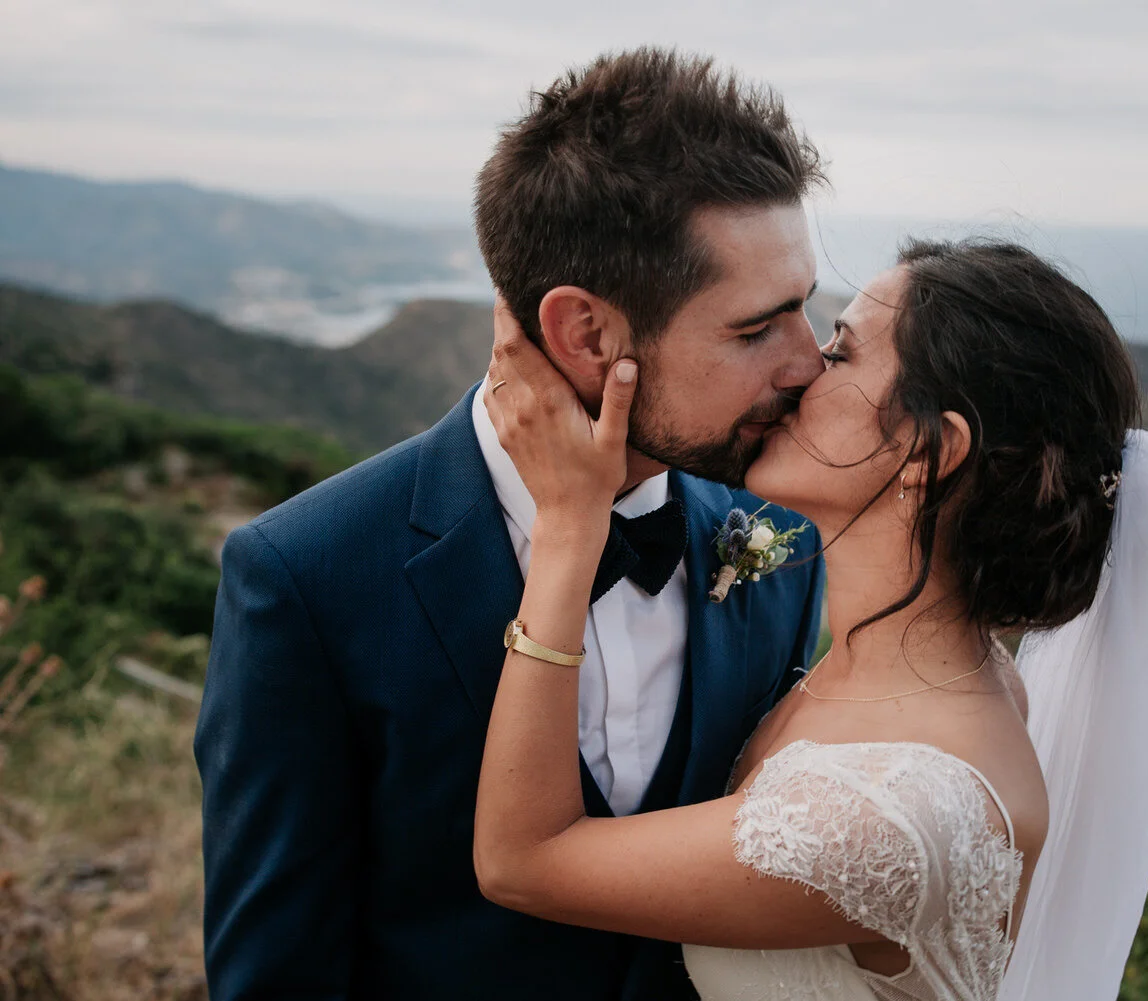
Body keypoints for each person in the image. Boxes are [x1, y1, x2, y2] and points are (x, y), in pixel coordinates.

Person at [195, 48, 829, 1000]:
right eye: (756, 328)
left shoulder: (781, 535)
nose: (808, 362)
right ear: (585, 333)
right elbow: (275, 974)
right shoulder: (307, 576)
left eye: (807, 310)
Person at [472, 238, 1148, 1000]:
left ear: (931, 449)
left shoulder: (902, 815)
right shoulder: (926, 665)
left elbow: (522, 861)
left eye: (842, 350)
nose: (801, 369)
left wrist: (571, 522)